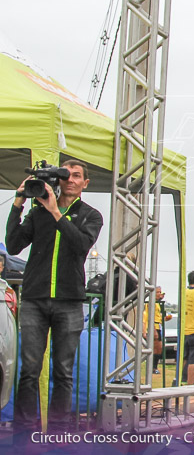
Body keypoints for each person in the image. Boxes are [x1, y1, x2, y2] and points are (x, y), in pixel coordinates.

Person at [6, 159, 102, 430]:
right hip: (35, 299)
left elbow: (81, 244)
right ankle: (25, 430)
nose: (70, 179)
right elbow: (13, 246)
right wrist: (18, 203)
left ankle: (59, 430)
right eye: (65, 175)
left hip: (69, 302)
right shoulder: (37, 212)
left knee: (63, 372)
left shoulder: (90, 215)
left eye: (76, 176)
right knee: (29, 371)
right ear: (57, 179)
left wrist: (56, 214)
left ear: (85, 183)